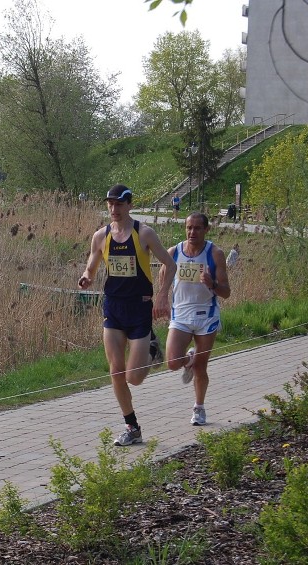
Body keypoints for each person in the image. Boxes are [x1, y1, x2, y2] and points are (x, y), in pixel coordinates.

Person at [79, 184, 177, 446]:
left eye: (119, 204)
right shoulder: (100, 236)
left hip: (139, 307)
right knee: (115, 371)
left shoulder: (144, 234)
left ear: (129, 205)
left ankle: (151, 350)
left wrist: (162, 295)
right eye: (110, 204)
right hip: (113, 307)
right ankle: (132, 426)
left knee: (134, 377)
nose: (114, 209)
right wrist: (87, 277)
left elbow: (170, 264)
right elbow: (91, 266)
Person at [159, 213, 231, 426]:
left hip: (205, 316)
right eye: (189, 228)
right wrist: (160, 299)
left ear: (206, 230)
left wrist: (212, 284)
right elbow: (163, 281)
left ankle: (198, 408)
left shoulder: (215, 254)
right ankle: (188, 359)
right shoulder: (174, 252)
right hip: (180, 314)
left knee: (201, 367)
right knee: (172, 362)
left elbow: (226, 292)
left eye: (197, 228)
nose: (192, 232)